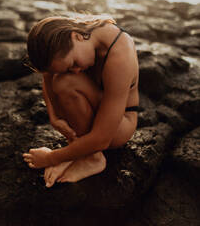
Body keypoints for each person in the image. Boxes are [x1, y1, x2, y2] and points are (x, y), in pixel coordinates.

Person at [23, 14, 139, 187]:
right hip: (94, 116)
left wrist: (51, 158)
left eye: (74, 63)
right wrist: (54, 118)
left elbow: (102, 138)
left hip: (119, 126)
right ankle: (80, 151)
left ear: (76, 36)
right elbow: (48, 77)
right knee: (62, 80)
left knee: (66, 82)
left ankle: (92, 158)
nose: (76, 70)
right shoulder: (74, 36)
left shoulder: (120, 56)